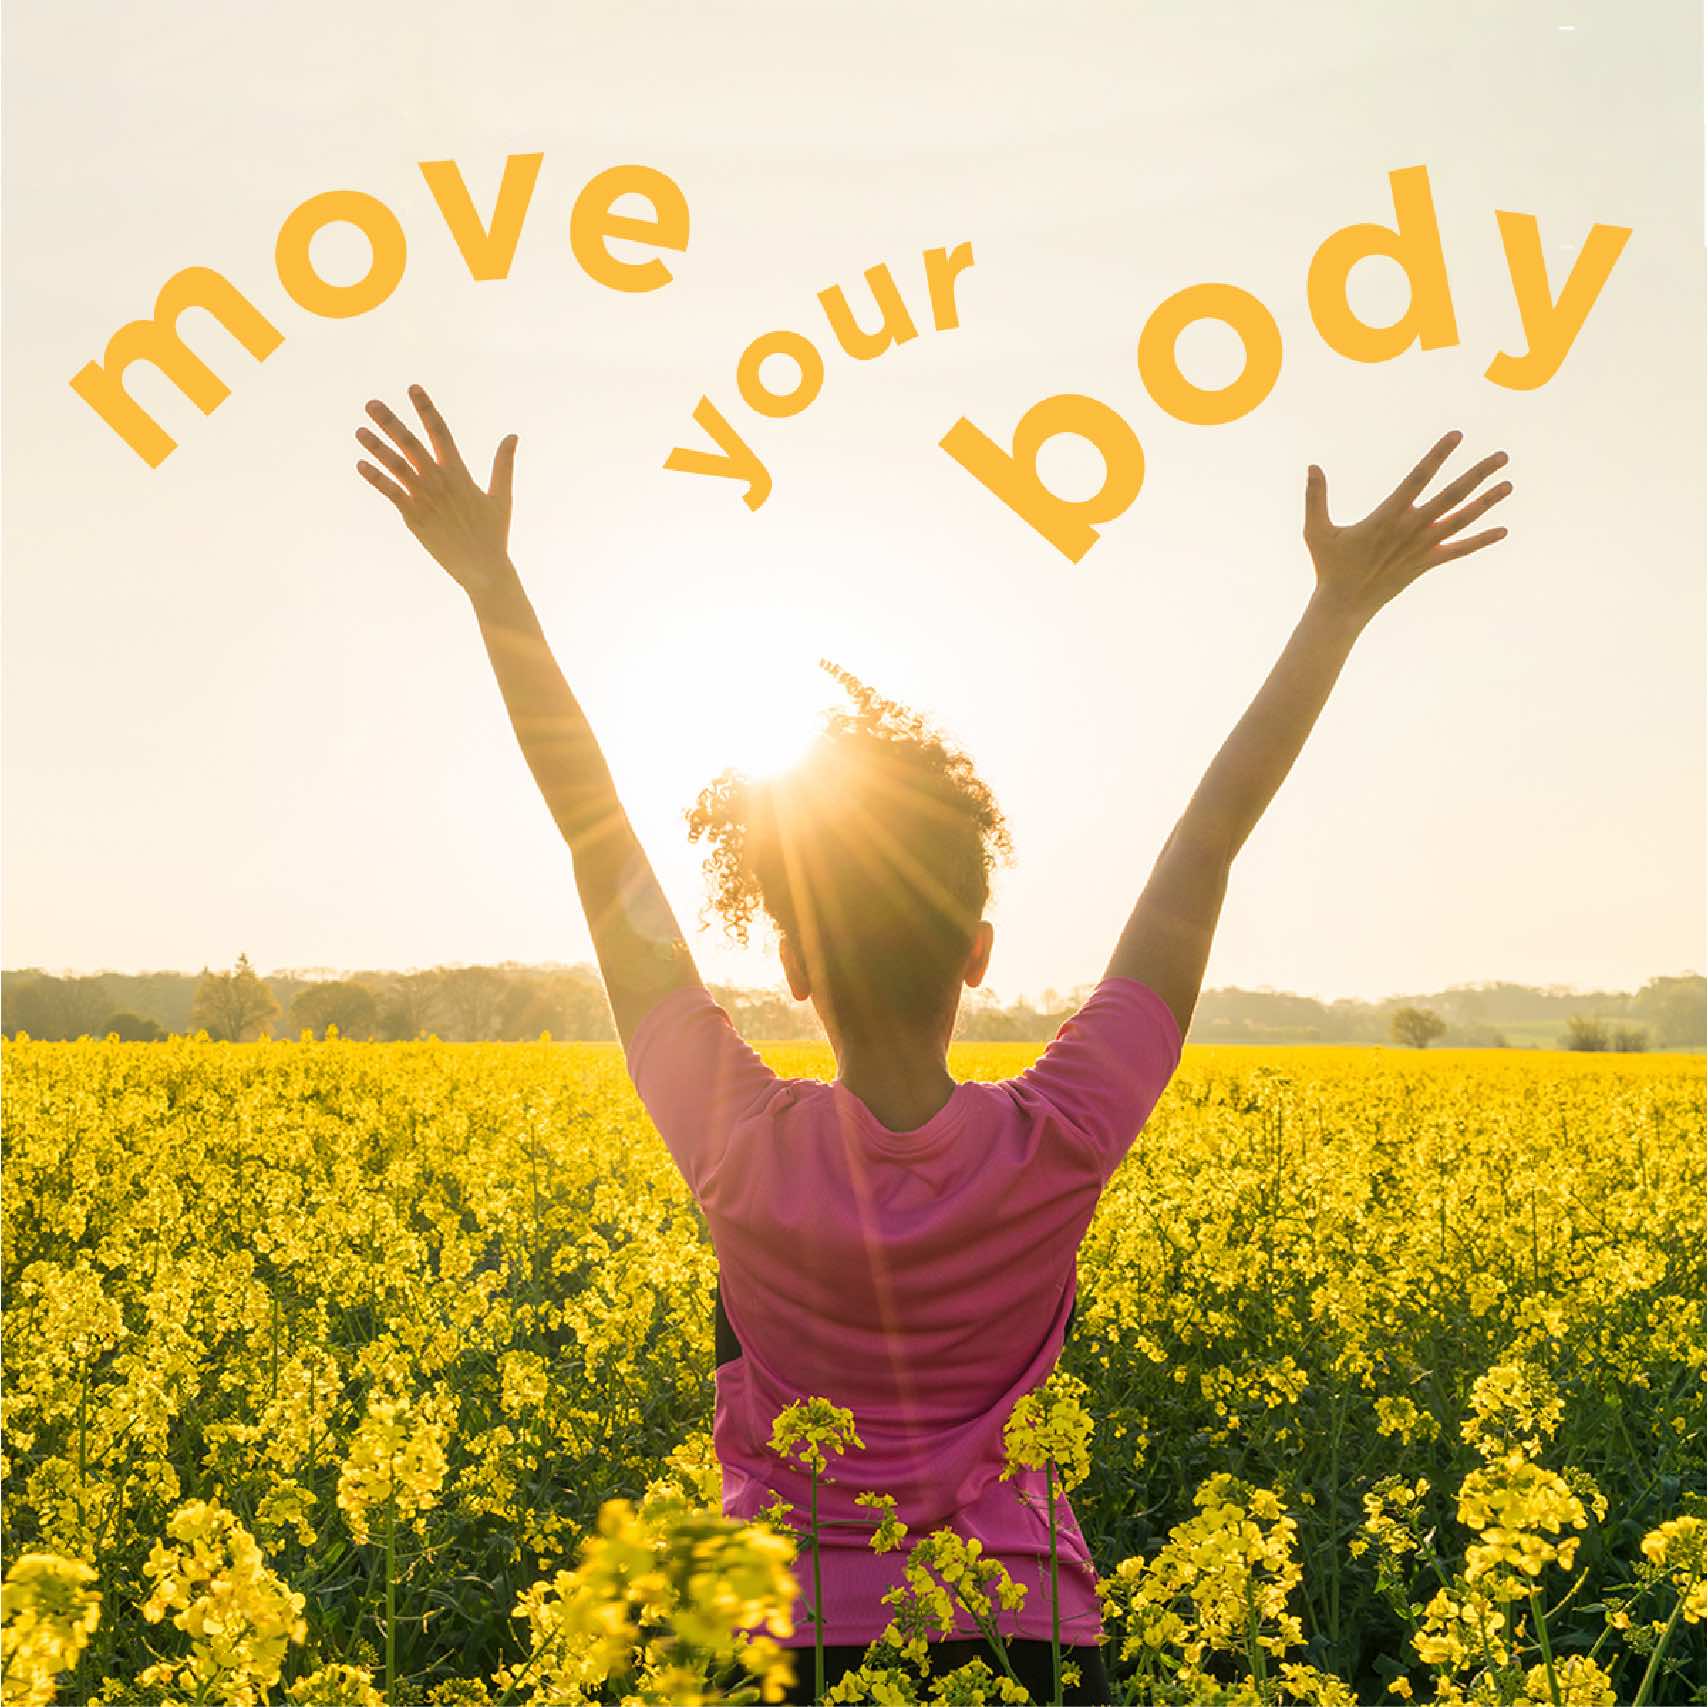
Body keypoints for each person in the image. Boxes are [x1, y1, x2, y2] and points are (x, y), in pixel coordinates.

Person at [354, 386, 1511, 1703]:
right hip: (1026, 1634)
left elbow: (595, 833)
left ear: (790, 968)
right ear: (979, 949)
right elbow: (1207, 845)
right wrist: (1337, 609)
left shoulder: (737, 1143)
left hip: (786, 1632)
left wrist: (489, 580)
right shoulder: (1061, 1134)